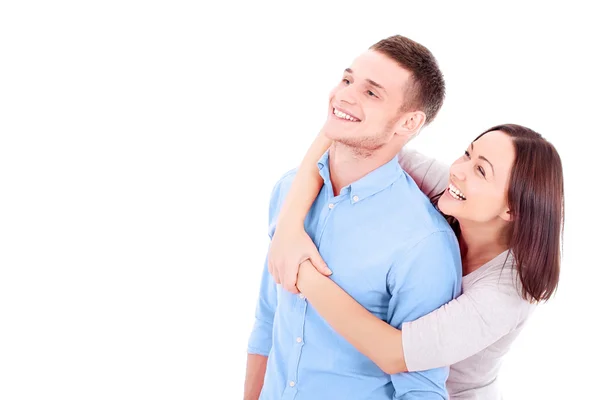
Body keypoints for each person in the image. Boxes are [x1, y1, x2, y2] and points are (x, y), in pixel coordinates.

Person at [268, 123, 564, 399]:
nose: (459, 171)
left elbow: (394, 354)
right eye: (467, 154)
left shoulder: (507, 294)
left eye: (481, 171)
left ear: (513, 208)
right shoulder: (452, 190)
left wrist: (301, 270)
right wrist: (289, 227)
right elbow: (352, 139)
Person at [244, 35, 463, 400]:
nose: (344, 96)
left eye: (371, 93)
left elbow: (421, 390)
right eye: (347, 80)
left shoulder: (425, 243)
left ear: (408, 123)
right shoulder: (288, 190)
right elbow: (268, 320)